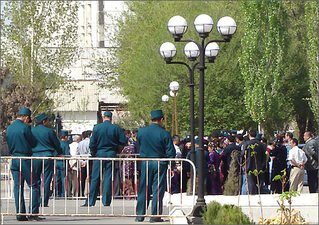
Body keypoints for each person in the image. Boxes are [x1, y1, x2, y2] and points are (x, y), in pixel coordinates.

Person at [135, 110, 176, 223]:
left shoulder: (141, 132)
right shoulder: (164, 133)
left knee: (144, 188)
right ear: (161, 119)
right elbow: (170, 151)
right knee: (158, 189)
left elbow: (137, 147)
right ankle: (155, 215)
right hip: (159, 162)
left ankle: (140, 215)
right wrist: (172, 166)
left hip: (145, 162)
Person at [82, 111, 127, 207]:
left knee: (95, 178)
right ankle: (106, 201)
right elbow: (123, 141)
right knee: (108, 177)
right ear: (111, 118)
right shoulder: (116, 128)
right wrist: (117, 150)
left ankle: (91, 201)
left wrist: (94, 153)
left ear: (103, 117)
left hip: (99, 154)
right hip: (111, 153)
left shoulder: (97, 128)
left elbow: (92, 143)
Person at [6, 107, 43, 221]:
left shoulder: (9, 128)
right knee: (33, 185)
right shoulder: (26, 128)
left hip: (14, 159)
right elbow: (33, 142)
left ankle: (20, 213)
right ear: (26, 117)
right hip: (25, 159)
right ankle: (33, 212)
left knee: (18, 187)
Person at [32, 113, 62, 207]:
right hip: (47, 156)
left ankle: (35, 201)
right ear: (44, 121)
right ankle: (44, 201)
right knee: (47, 179)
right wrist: (59, 152)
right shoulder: (50, 131)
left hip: (35, 156)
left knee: (35, 179)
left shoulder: (31, 131)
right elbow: (56, 144)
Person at [242, 130, 266, 195]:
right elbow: (264, 156)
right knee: (259, 184)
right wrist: (263, 165)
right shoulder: (261, 144)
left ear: (249, 135)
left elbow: (243, 155)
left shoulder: (246, 144)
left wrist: (242, 164)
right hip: (259, 166)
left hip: (249, 166)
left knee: (251, 184)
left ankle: (252, 196)